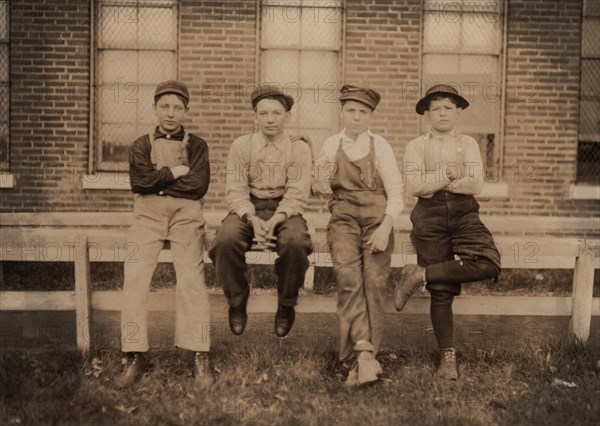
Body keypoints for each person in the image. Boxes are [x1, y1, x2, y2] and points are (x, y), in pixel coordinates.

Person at [397, 84, 501, 380]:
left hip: (464, 211)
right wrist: (448, 175)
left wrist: (440, 183)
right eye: (436, 108)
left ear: (457, 112)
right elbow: (415, 187)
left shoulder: (468, 143)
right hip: (428, 217)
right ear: (426, 114)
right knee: (441, 291)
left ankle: (419, 274)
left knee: (487, 262)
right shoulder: (416, 146)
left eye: (448, 107)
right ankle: (447, 356)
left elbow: (475, 184)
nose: (442, 113)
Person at [116, 80, 214, 389]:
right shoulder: (140, 144)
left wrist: (156, 181)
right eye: (164, 106)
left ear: (186, 110)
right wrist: (172, 174)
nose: (170, 113)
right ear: (155, 108)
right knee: (134, 276)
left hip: (187, 215)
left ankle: (200, 354)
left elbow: (198, 186)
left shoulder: (197, 145)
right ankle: (133, 353)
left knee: (191, 279)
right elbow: (139, 183)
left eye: (177, 107)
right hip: (147, 214)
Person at [313, 85, 404, 386]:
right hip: (343, 221)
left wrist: (386, 227)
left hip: (378, 222)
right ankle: (351, 357)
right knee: (349, 281)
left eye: (362, 112)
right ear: (341, 111)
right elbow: (322, 187)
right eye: (350, 110)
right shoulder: (331, 144)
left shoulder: (381, 146)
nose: (355, 117)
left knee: (374, 284)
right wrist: (320, 173)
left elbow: (396, 192)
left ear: (370, 116)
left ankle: (368, 356)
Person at [209, 85, 313, 339]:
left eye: (276, 113)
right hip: (248, 206)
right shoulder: (241, 146)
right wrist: (252, 218)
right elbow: (235, 190)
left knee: (296, 242)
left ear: (287, 116)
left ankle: (286, 304)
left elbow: (297, 193)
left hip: (285, 209)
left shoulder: (299, 149)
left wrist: (278, 218)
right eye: (263, 113)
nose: (270, 119)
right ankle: (237, 300)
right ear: (254, 117)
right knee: (225, 240)